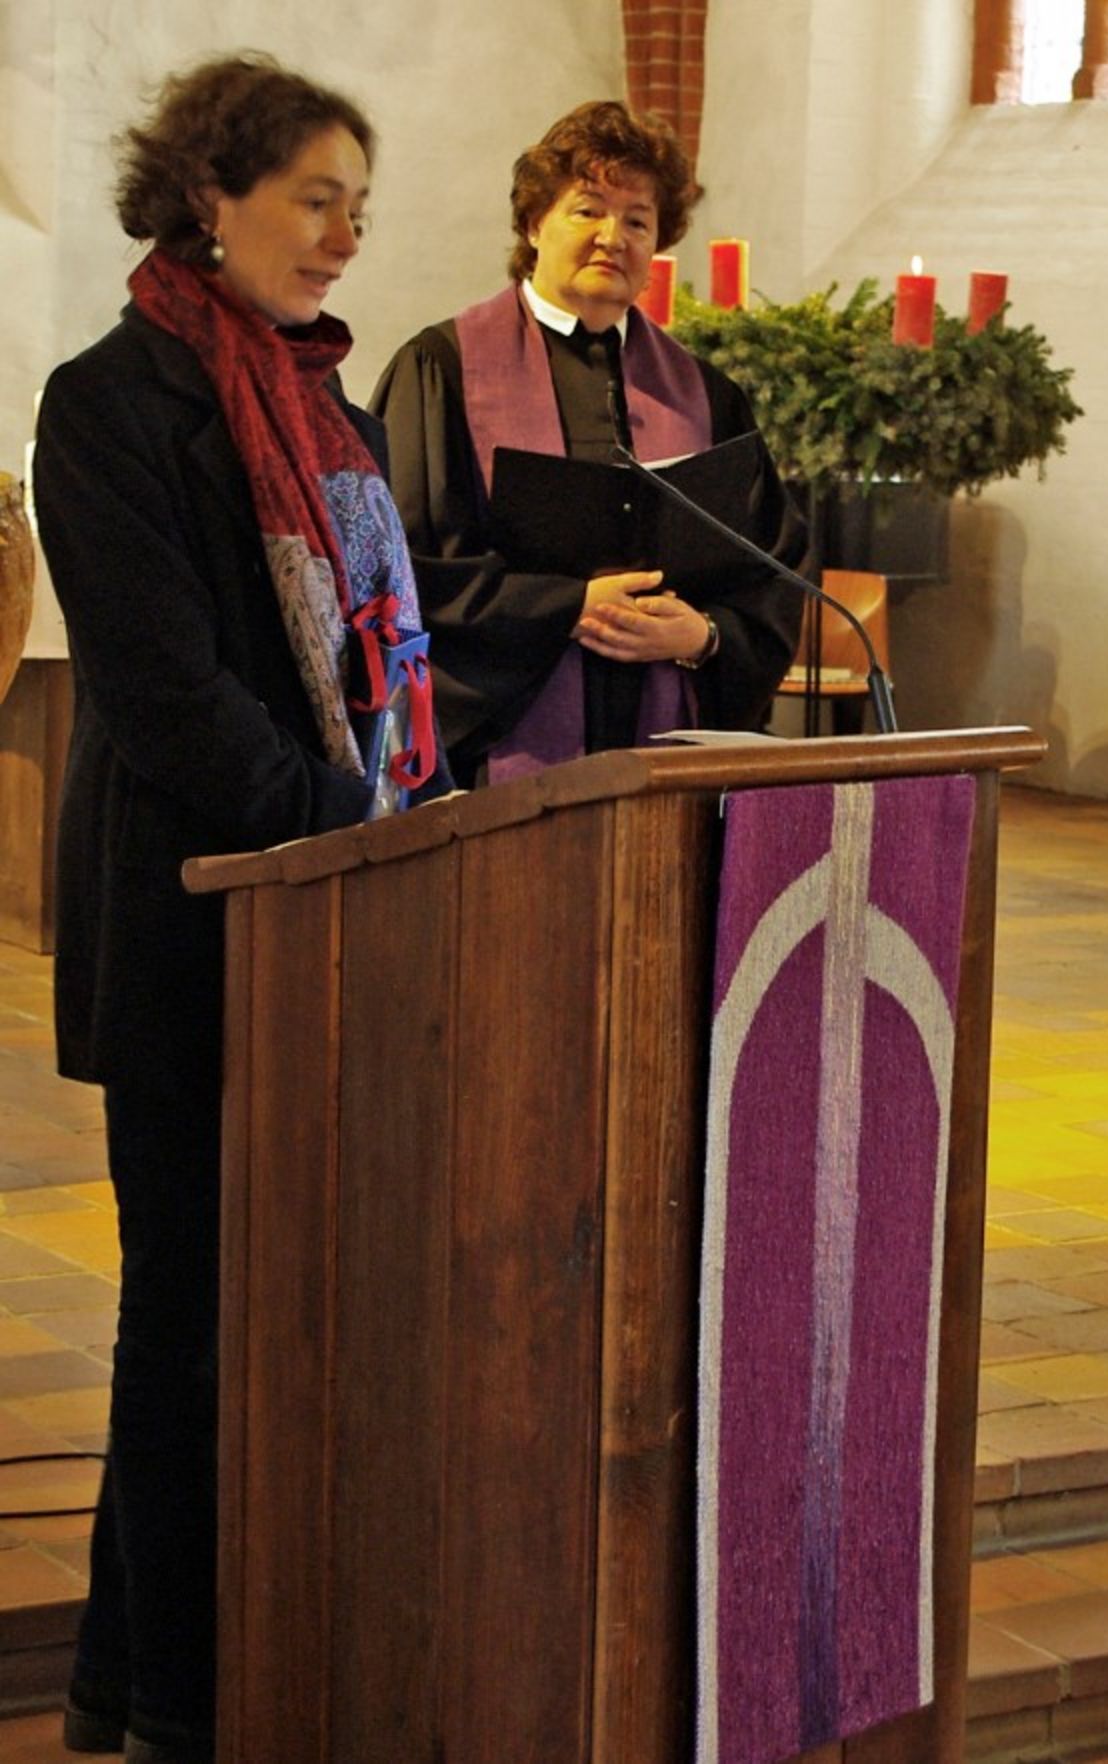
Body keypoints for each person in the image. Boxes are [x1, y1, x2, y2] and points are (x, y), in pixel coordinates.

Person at [34, 53, 451, 1763]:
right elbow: (163, 695)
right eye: (315, 198)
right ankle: (185, 1706)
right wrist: (353, 825)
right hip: (192, 913)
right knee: (190, 1315)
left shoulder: (328, 405)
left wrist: (408, 799)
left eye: (360, 205)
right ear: (212, 198)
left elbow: (380, 656)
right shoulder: (107, 400)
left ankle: (115, 1680)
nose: (346, 235)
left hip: (324, 909)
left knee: (240, 1308)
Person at [371, 101, 803, 783]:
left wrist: (705, 635)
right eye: (587, 210)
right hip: (500, 751)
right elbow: (398, 562)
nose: (613, 237)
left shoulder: (705, 395)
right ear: (533, 223)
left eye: (637, 221)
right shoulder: (442, 370)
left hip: (666, 747)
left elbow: (771, 566)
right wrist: (565, 609)